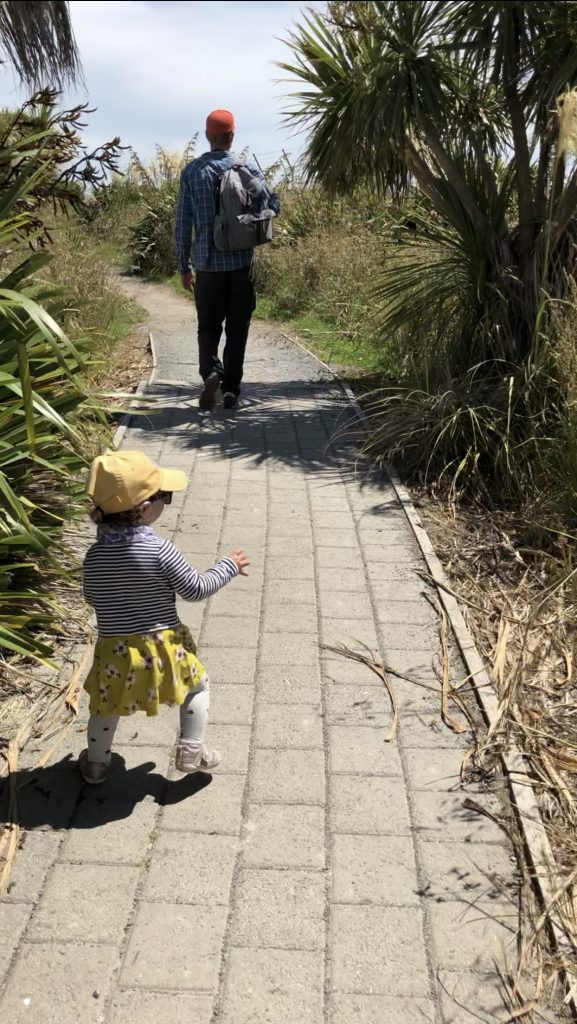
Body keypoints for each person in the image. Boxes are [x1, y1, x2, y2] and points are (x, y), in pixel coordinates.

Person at [78, 449, 250, 785]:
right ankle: (191, 748)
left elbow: (90, 597)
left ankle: (96, 765)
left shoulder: (94, 556)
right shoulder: (160, 550)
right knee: (197, 687)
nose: (166, 502)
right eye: (164, 497)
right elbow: (196, 589)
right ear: (143, 509)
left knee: (105, 706)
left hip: (116, 653)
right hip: (165, 650)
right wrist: (228, 566)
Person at [174, 108, 281, 411]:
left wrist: (184, 265)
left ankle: (210, 373)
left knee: (208, 327)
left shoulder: (193, 172)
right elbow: (274, 205)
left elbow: (183, 223)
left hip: (207, 266)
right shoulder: (246, 169)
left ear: (208, 136)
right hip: (240, 265)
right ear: (232, 137)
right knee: (238, 328)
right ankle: (232, 389)